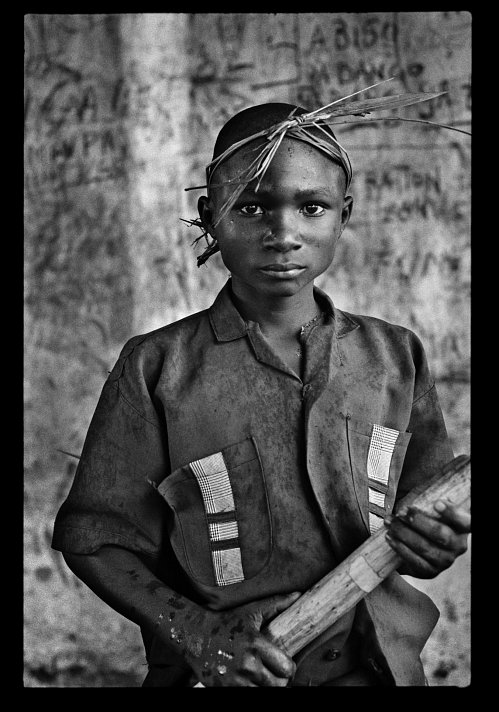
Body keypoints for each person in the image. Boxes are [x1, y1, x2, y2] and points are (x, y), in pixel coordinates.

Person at [52, 102, 470, 687]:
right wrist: (201, 635)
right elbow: (95, 539)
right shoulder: (157, 367)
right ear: (210, 217)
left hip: (378, 671)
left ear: (343, 216)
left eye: (312, 207)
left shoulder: (396, 357)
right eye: (250, 207)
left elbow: (424, 520)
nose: (283, 234)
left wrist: (436, 545)